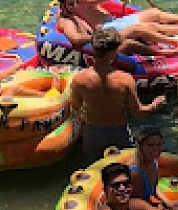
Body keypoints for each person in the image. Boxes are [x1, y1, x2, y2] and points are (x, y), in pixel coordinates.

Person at [70, 27, 167, 163]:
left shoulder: (79, 79)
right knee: (124, 168)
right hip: (118, 133)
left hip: (92, 133)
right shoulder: (125, 79)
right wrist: (155, 104)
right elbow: (138, 113)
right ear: (113, 53)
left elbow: (75, 107)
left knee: (93, 171)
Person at [55, 0, 178, 57]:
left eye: (77, 2)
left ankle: (171, 41)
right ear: (62, 5)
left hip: (99, 40)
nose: (76, 6)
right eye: (71, 4)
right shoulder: (66, 21)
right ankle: (172, 45)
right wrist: (98, 37)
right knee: (136, 30)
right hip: (97, 47)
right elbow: (76, 39)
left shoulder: (67, 13)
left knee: (137, 33)